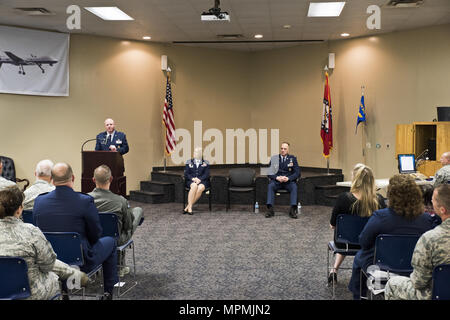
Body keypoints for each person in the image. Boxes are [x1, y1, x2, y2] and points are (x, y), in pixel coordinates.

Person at [33, 162, 118, 300]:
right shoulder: (84, 201)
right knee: (111, 242)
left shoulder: (40, 202)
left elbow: (39, 234)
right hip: (81, 262)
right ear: (72, 178)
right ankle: (108, 293)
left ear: (52, 180)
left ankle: (64, 292)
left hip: (51, 261)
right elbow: (95, 233)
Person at [347, 174, 435, 300]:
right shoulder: (427, 220)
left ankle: (360, 296)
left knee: (360, 256)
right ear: (416, 194)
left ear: (391, 194)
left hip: (382, 268)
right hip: (414, 268)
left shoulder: (380, 217)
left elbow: (364, 241)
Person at [0, 186, 89, 300]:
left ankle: (74, 273)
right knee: (51, 275)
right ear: (19, 209)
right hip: (30, 295)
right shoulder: (31, 232)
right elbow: (48, 264)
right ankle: (75, 274)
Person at [384, 184, 450, 300]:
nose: (431, 202)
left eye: (433, 200)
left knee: (392, 284)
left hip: (436, 294)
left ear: (442, 210)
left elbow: (419, 283)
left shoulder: (430, 239)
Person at [328, 163, 386, 284]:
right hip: (371, 244)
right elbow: (383, 226)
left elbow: (333, 225)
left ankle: (334, 270)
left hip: (345, 243)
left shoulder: (344, 198)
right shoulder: (379, 200)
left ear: (355, 180)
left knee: (346, 235)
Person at [89, 164, 143, 276]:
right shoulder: (120, 200)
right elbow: (128, 226)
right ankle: (119, 268)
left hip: (92, 239)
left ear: (93, 180)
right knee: (137, 210)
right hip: (115, 239)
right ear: (111, 179)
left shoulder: (85, 200)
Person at [265, 142, 300, 219]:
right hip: (277, 181)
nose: (283, 150)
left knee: (294, 187)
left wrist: (289, 178)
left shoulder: (293, 159)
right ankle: (270, 210)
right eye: (282, 148)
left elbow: (297, 173)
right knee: (270, 186)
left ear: (288, 150)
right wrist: (276, 177)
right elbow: (269, 172)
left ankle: (293, 210)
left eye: (285, 149)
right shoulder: (274, 158)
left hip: (288, 182)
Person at [183, 147, 210, 215]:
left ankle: (188, 207)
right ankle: (190, 207)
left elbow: (206, 174)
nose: (194, 153)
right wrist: (193, 179)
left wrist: (200, 179)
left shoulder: (206, 162)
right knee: (194, 186)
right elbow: (186, 174)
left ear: (200, 154)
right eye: (194, 152)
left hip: (202, 181)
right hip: (191, 180)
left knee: (200, 188)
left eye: (196, 152)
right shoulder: (189, 162)